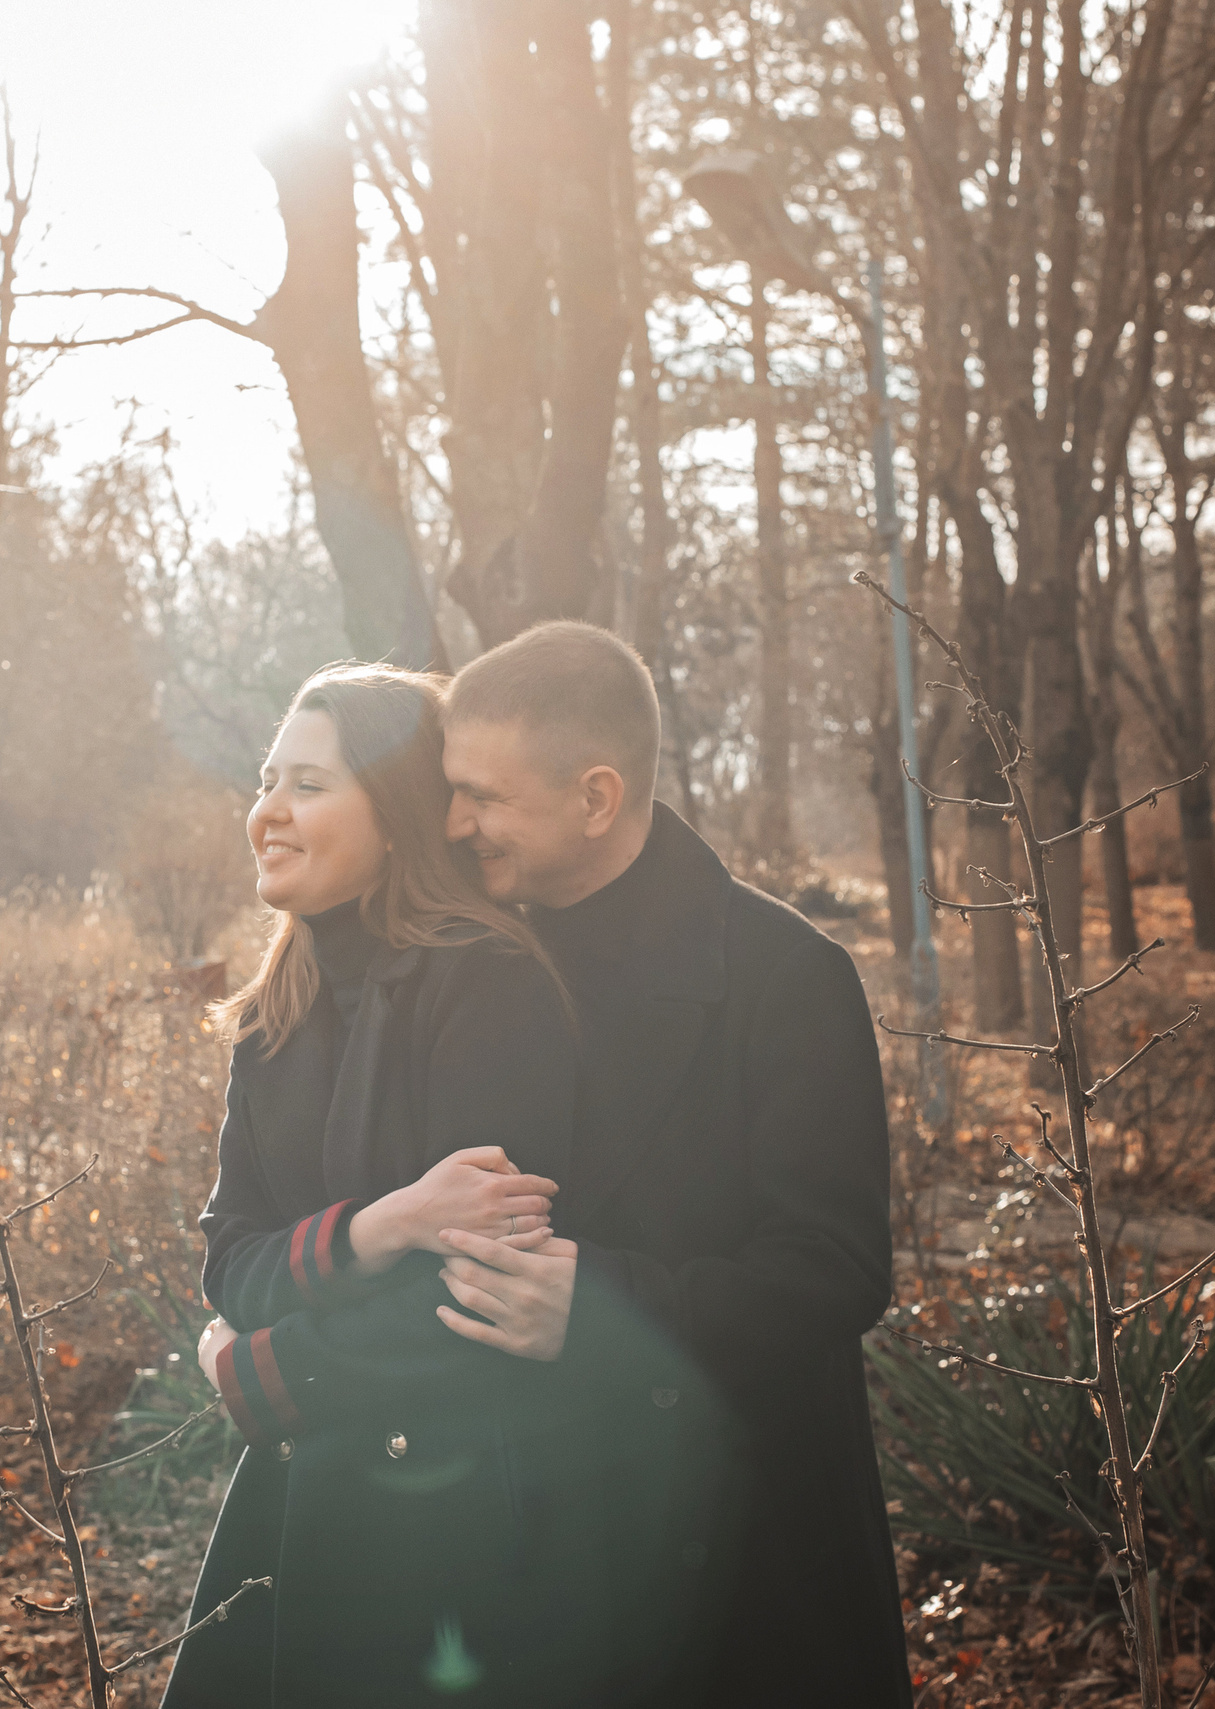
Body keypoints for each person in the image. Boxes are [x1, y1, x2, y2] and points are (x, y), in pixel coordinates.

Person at [423, 619, 913, 1705]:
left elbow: (835, 1267)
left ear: (595, 798)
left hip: (743, 1540)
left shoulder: (786, 976)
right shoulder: (473, 966)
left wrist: (600, 1303)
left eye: (485, 796)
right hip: (528, 1539)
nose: (455, 822)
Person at [163, 662, 597, 1709]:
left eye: (309, 784)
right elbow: (231, 1262)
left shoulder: (488, 986)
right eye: (266, 781)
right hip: (301, 1498)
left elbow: (475, 1299)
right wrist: (377, 1226)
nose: (268, 811)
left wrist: (260, 1378)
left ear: (398, 815)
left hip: (457, 1518)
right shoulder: (274, 1014)